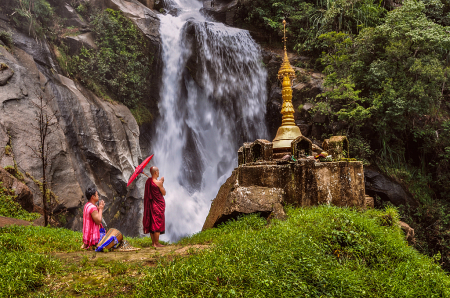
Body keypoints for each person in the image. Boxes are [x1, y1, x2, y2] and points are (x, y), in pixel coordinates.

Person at [143, 166, 166, 247]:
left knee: (152, 223)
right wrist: (161, 183)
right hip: (158, 206)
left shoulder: (149, 181)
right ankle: (156, 243)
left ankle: (153, 243)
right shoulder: (158, 183)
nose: (159, 172)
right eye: (158, 170)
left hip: (152, 205)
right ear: (155, 172)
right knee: (157, 224)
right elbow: (164, 193)